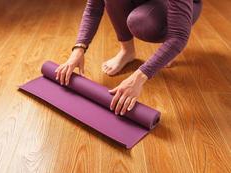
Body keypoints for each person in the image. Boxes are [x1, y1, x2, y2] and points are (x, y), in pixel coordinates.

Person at [55, 0, 202, 116]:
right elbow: (93, 8)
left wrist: (138, 77)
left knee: (141, 22)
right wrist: (78, 50)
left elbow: (178, 36)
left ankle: (168, 47)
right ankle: (127, 51)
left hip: (184, 5)